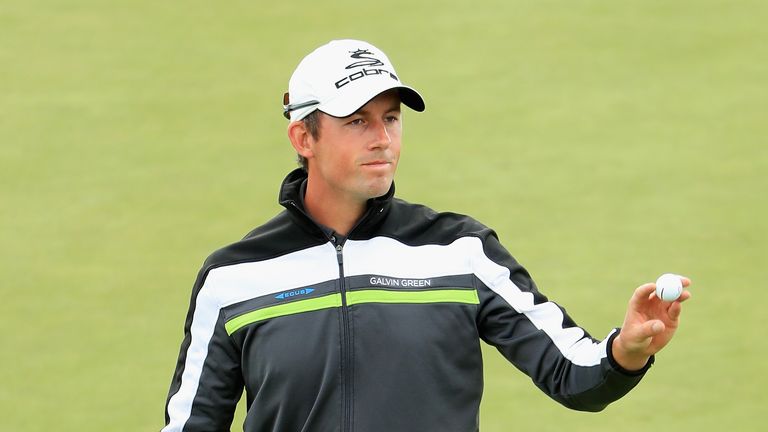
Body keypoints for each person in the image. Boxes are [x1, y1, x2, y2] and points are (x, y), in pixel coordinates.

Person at [162, 39, 691, 432]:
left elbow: (571, 373)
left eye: (391, 119)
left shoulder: (462, 252)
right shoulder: (233, 277)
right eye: (358, 122)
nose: (383, 139)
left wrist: (626, 350)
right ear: (304, 137)